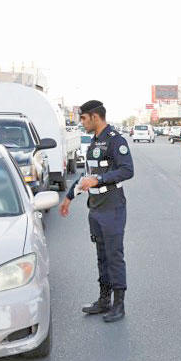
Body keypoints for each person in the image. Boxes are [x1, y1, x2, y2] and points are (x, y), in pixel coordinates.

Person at [59, 100, 134, 322]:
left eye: (83, 118)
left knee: (114, 256)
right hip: (96, 207)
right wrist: (70, 196)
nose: (81, 122)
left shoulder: (115, 141)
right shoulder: (94, 143)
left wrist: (100, 179)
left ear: (94, 117)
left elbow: (127, 170)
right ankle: (104, 300)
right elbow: (87, 175)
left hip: (112, 206)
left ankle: (119, 304)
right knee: (101, 256)